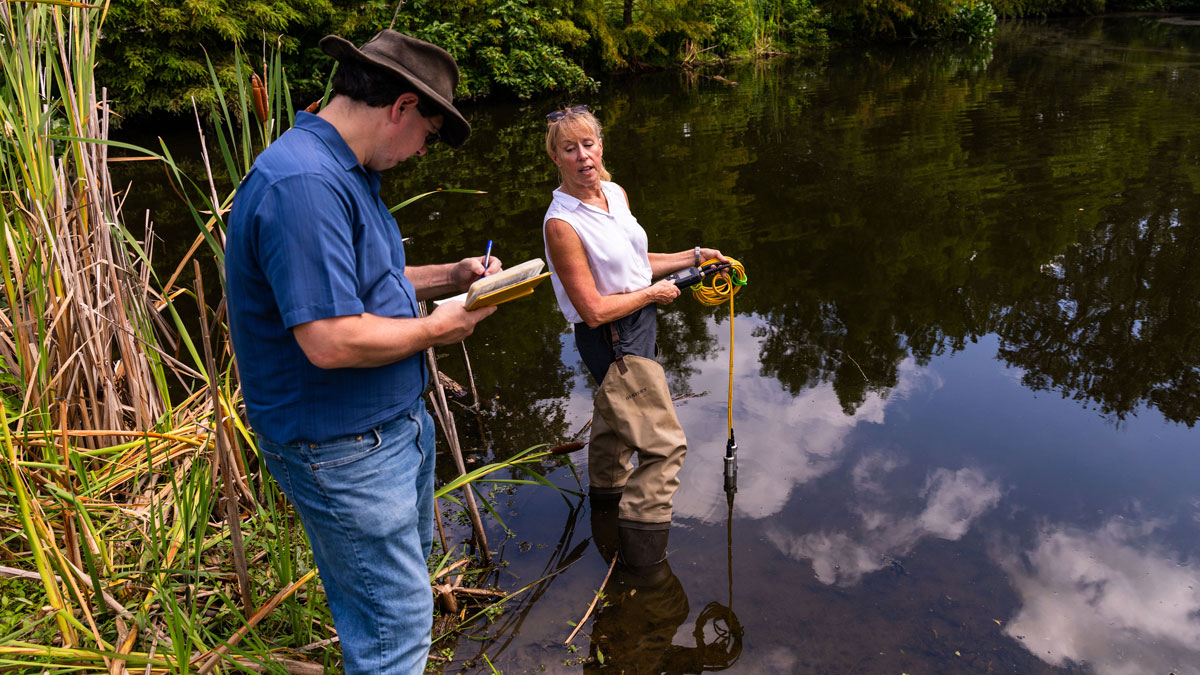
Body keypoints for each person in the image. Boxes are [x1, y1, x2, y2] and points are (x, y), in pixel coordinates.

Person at [224, 30, 500, 674]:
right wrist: (438, 328)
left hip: (385, 431)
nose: (422, 152)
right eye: (428, 136)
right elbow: (329, 338)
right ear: (401, 107)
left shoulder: (345, 172)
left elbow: (365, 288)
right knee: (393, 630)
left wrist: (451, 276)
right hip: (341, 446)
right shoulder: (304, 184)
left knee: (395, 607)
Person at [541, 104, 725, 568]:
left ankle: (604, 506)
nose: (583, 156)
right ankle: (644, 565)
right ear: (556, 157)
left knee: (615, 424)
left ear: (600, 145)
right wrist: (652, 296)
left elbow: (636, 265)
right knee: (664, 447)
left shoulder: (614, 193)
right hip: (611, 336)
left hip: (639, 324)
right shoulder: (562, 224)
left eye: (589, 144)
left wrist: (694, 257)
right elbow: (594, 309)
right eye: (570, 148)